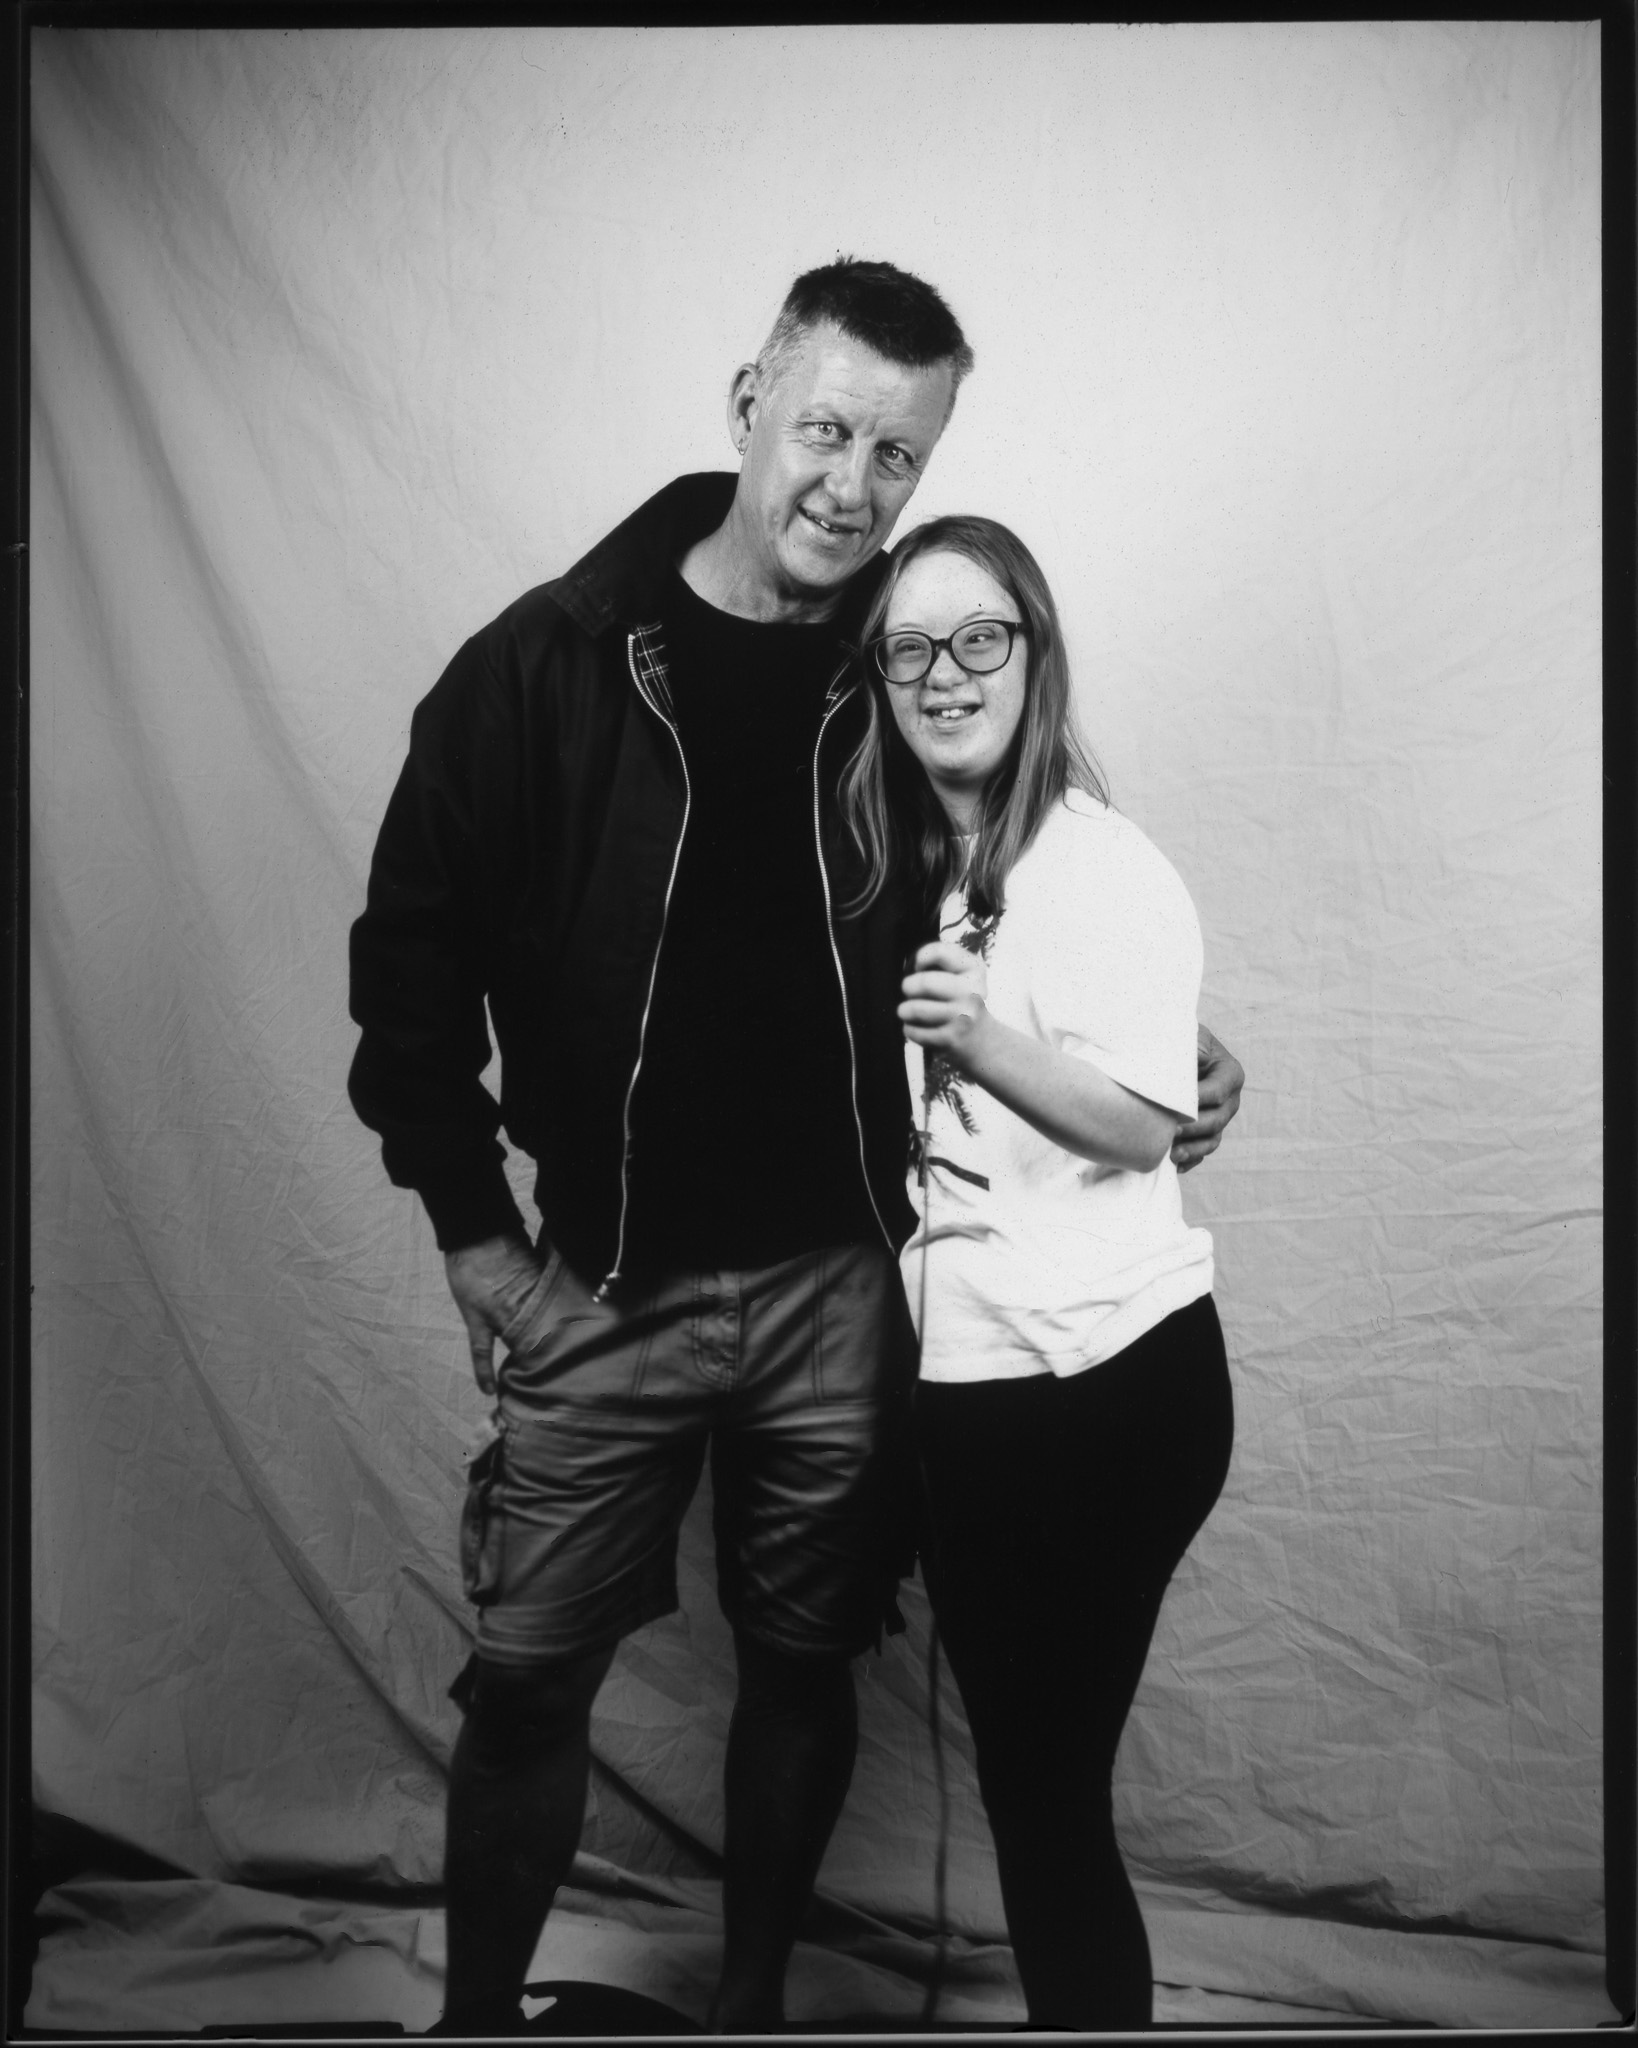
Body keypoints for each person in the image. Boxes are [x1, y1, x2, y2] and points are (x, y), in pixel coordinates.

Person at [348, 260, 1245, 2036]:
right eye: (826, 430)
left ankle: (750, 2013)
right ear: (748, 398)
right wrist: (471, 1233)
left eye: (897, 454)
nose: (852, 485)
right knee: (527, 1681)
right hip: (602, 1277)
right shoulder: (548, 661)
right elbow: (409, 967)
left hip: (846, 1278)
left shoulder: (897, 656)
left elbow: (1029, 863)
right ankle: (472, 2028)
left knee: (800, 1664)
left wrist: (1170, 1053)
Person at [839, 514, 1235, 2029]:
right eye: (909, 649)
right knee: (1029, 1788)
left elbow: (1140, 1123)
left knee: (1047, 1795)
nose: (944, 674)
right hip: (972, 1392)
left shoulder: (1101, 862)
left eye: (979, 638)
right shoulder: (903, 867)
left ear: (1033, 655)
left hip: (1108, 1391)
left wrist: (980, 1038)